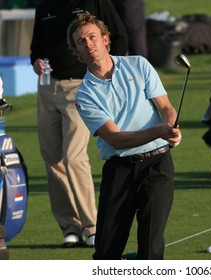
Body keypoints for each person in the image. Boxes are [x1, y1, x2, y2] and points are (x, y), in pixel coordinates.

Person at [67, 12, 181, 259]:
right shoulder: (84, 95)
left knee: (150, 249)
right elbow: (115, 138)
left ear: (105, 39)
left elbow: (165, 107)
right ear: (77, 52)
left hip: (157, 165)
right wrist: (160, 131)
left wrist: (171, 125)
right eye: (80, 41)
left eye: (92, 37)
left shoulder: (138, 64)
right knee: (107, 252)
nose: (88, 44)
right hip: (120, 171)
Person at [30, 0, 128, 247]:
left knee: (73, 157)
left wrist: (107, 77)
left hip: (81, 87)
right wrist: (36, 61)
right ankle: (70, 227)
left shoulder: (96, 1)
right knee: (52, 159)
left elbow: (119, 36)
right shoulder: (43, 7)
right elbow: (36, 48)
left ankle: (93, 227)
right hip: (47, 88)